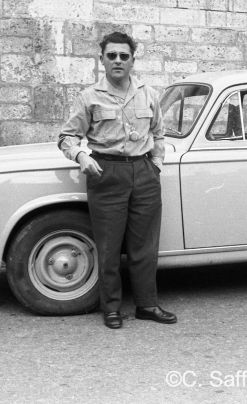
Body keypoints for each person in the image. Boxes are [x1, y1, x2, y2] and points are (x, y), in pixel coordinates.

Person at [58, 31, 177, 329]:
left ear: (133, 60)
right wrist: (82, 156)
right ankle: (111, 308)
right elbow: (67, 137)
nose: (118, 61)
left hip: (144, 173)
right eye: (111, 55)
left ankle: (147, 305)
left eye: (124, 56)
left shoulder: (148, 94)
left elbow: (159, 133)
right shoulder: (89, 97)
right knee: (109, 247)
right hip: (106, 173)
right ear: (102, 60)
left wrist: (156, 165)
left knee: (145, 246)